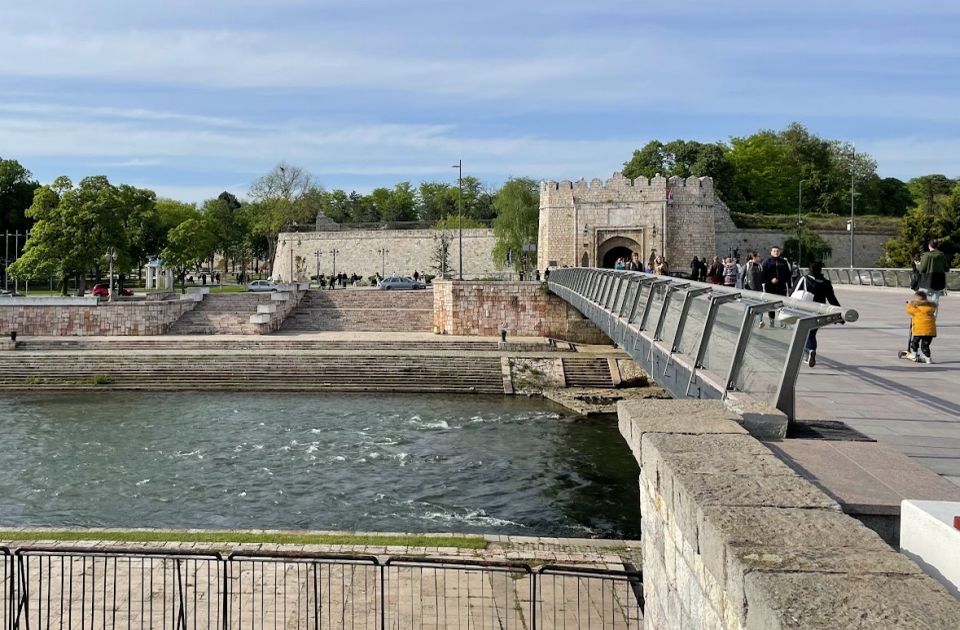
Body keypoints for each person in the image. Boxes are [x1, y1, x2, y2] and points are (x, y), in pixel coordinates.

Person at [799, 262, 841, 366]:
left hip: (805, 309)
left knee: (802, 333)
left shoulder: (804, 279)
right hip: (819, 310)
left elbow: (793, 292)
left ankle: (808, 352)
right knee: (812, 333)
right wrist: (839, 313)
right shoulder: (826, 282)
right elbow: (832, 299)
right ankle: (811, 350)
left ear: (809, 269)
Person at [905, 290, 937, 363]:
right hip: (930, 331)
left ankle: (914, 354)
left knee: (915, 342)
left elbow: (908, 310)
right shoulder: (931, 307)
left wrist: (909, 303)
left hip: (919, 330)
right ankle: (928, 359)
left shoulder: (916, 308)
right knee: (925, 345)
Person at [918, 240, 948, 316]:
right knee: (935, 301)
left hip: (927, 280)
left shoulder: (927, 255)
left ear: (929, 246)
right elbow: (946, 268)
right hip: (939, 280)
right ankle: (933, 320)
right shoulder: (942, 255)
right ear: (937, 246)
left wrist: (917, 265)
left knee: (921, 298)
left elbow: (922, 269)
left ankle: (922, 317)